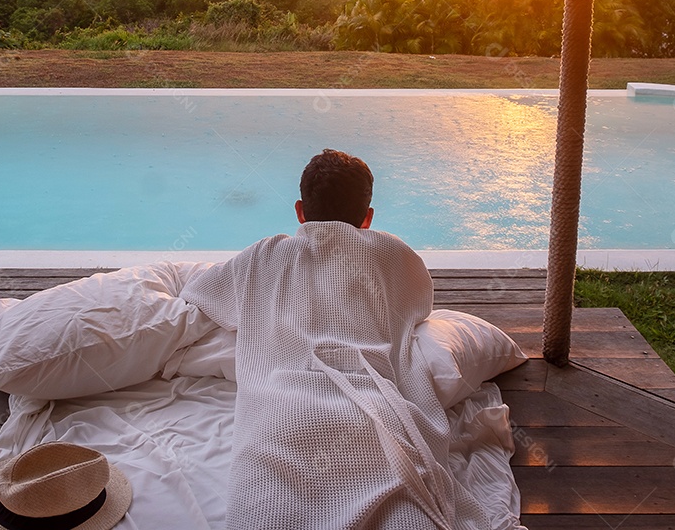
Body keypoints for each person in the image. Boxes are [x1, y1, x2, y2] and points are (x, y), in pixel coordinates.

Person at [180, 149, 492, 530]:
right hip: (371, 413)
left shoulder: (264, 255)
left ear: (300, 211)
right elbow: (420, 306)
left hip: (278, 415)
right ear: (368, 218)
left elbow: (199, 294)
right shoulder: (392, 252)